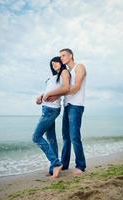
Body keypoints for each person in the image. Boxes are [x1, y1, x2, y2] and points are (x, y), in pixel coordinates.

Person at [48, 48, 87, 176]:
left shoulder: (79, 67)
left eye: (63, 55)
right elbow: (63, 88)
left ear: (70, 56)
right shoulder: (67, 72)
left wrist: (57, 94)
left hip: (76, 106)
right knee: (66, 137)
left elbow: (76, 88)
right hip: (67, 106)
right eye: (61, 56)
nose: (62, 58)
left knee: (75, 136)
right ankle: (64, 164)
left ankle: (80, 165)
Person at [32, 56, 70, 178]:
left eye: (56, 62)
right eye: (52, 64)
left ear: (61, 63)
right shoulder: (53, 78)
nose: (54, 64)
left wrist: (48, 94)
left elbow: (65, 88)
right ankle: (53, 169)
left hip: (51, 110)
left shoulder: (64, 72)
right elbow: (51, 90)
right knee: (51, 139)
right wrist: (41, 96)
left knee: (36, 137)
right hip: (46, 108)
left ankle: (56, 163)